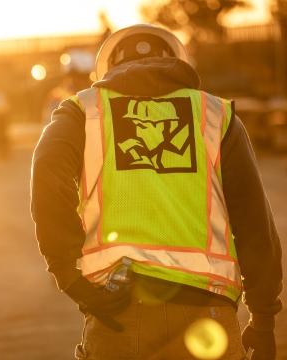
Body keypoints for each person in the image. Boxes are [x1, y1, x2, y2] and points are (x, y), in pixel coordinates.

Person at [30, 24, 282, 359]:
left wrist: (70, 276)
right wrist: (263, 318)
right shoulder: (216, 115)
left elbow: (47, 182)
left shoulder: (82, 112)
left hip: (118, 314)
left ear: (108, 68)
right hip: (207, 319)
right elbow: (253, 224)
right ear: (177, 61)